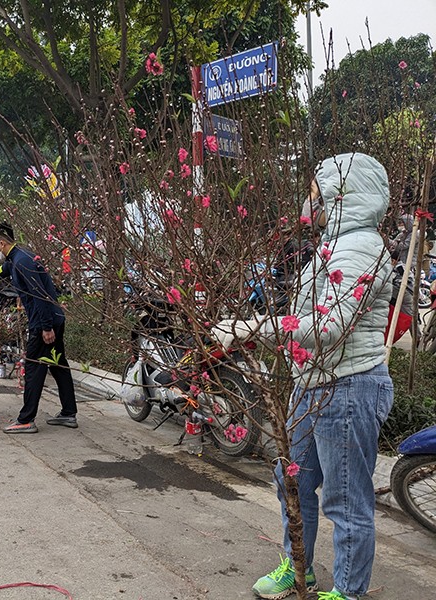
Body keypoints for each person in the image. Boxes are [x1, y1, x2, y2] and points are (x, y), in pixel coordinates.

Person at [214, 153, 393, 600]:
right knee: (291, 481)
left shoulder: (363, 248)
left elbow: (329, 326)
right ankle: (299, 567)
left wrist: (251, 327)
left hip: (348, 386)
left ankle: (349, 591)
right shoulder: (335, 245)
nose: (308, 201)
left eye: (315, 192)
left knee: (345, 500)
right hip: (313, 386)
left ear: (341, 195)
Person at [0, 222, 78, 434]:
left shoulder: (23, 261)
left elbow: (39, 295)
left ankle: (26, 419)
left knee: (33, 368)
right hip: (54, 319)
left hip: (46, 322)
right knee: (58, 365)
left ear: (2, 243)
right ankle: (69, 412)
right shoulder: (16, 259)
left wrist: (46, 327)